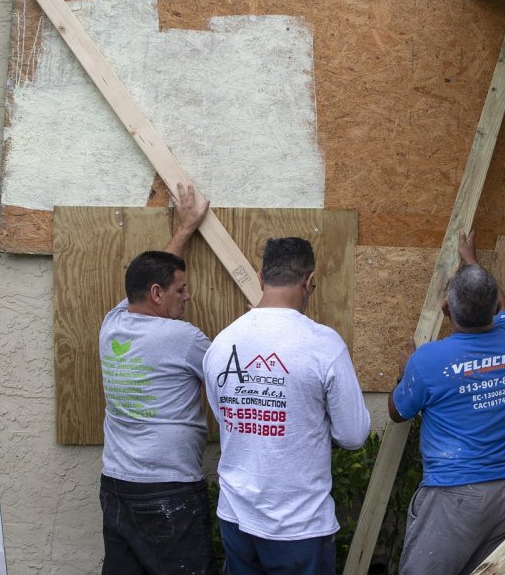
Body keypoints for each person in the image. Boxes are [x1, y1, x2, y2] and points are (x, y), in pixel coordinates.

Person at [203, 236, 371, 575]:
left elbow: (226, 418)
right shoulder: (323, 345)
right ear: (309, 281)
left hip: (236, 517)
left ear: (261, 278)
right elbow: (353, 436)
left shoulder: (221, 343)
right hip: (299, 526)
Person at [389, 230, 505, 575]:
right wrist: (472, 263)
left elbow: (397, 412)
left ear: (446, 309)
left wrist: (405, 373)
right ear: (494, 308)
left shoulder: (428, 360)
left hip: (456, 494)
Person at [97, 182, 217, 575]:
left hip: (117, 486)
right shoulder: (183, 338)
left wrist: (184, 229)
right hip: (168, 490)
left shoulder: (113, 324)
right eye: (181, 290)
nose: (188, 296)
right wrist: (265, 319)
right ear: (157, 294)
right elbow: (232, 375)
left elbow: (154, 275)